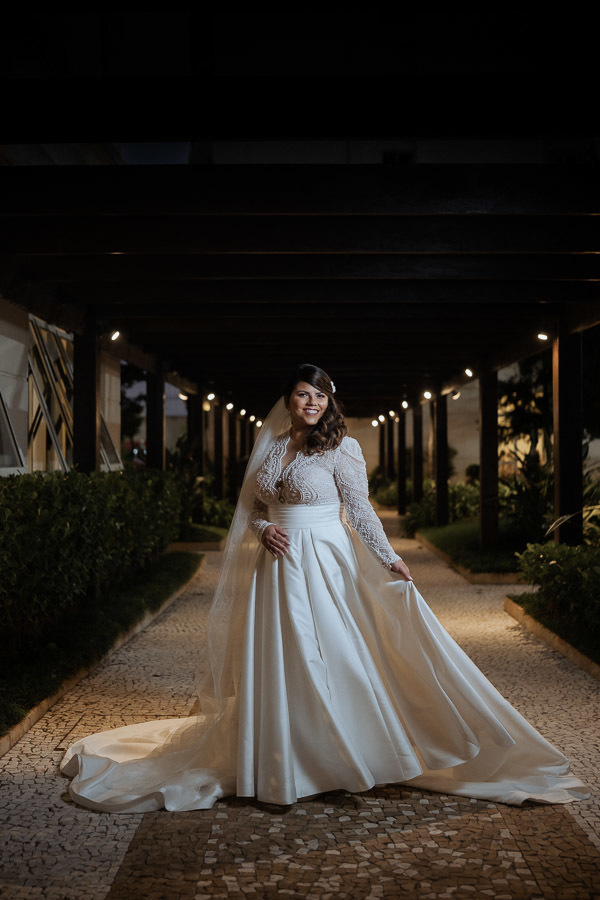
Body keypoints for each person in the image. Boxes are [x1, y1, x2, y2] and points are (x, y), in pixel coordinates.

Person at [61, 364, 591, 811]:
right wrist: (263, 528)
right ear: (288, 400)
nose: (311, 402)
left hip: (323, 557)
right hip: (276, 562)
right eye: (302, 394)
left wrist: (389, 559)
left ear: (328, 401)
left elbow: (359, 509)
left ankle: (341, 752)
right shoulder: (270, 444)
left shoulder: (343, 447)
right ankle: (279, 754)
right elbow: (249, 508)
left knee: (331, 650)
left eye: (319, 395)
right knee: (281, 655)